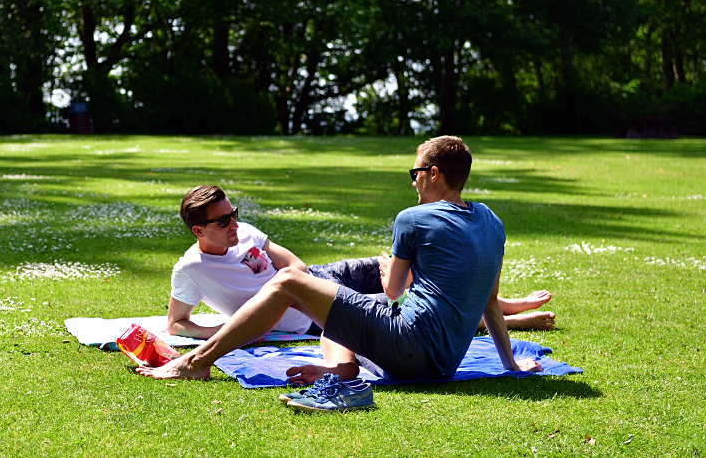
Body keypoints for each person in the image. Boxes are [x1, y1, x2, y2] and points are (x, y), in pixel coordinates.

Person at [139, 136, 542, 388]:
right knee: (339, 314)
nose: (413, 181)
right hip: (443, 364)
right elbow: (489, 301)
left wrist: (388, 276)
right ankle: (339, 371)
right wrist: (510, 365)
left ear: (434, 174)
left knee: (286, 282)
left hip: (409, 351)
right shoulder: (492, 220)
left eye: (415, 172)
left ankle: (195, 362)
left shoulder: (413, 217)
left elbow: (394, 292)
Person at [168, 186, 554, 340]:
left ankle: (504, 305)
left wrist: (302, 282)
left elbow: (290, 262)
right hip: (308, 317)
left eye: (232, 213)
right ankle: (509, 320)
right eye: (222, 221)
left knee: (407, 272)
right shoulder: (191, 270)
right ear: (199, 232)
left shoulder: (245, 231)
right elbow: (176, 323)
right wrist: (227, 329)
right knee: (405, 315)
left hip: (317, 279)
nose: (233, 223)